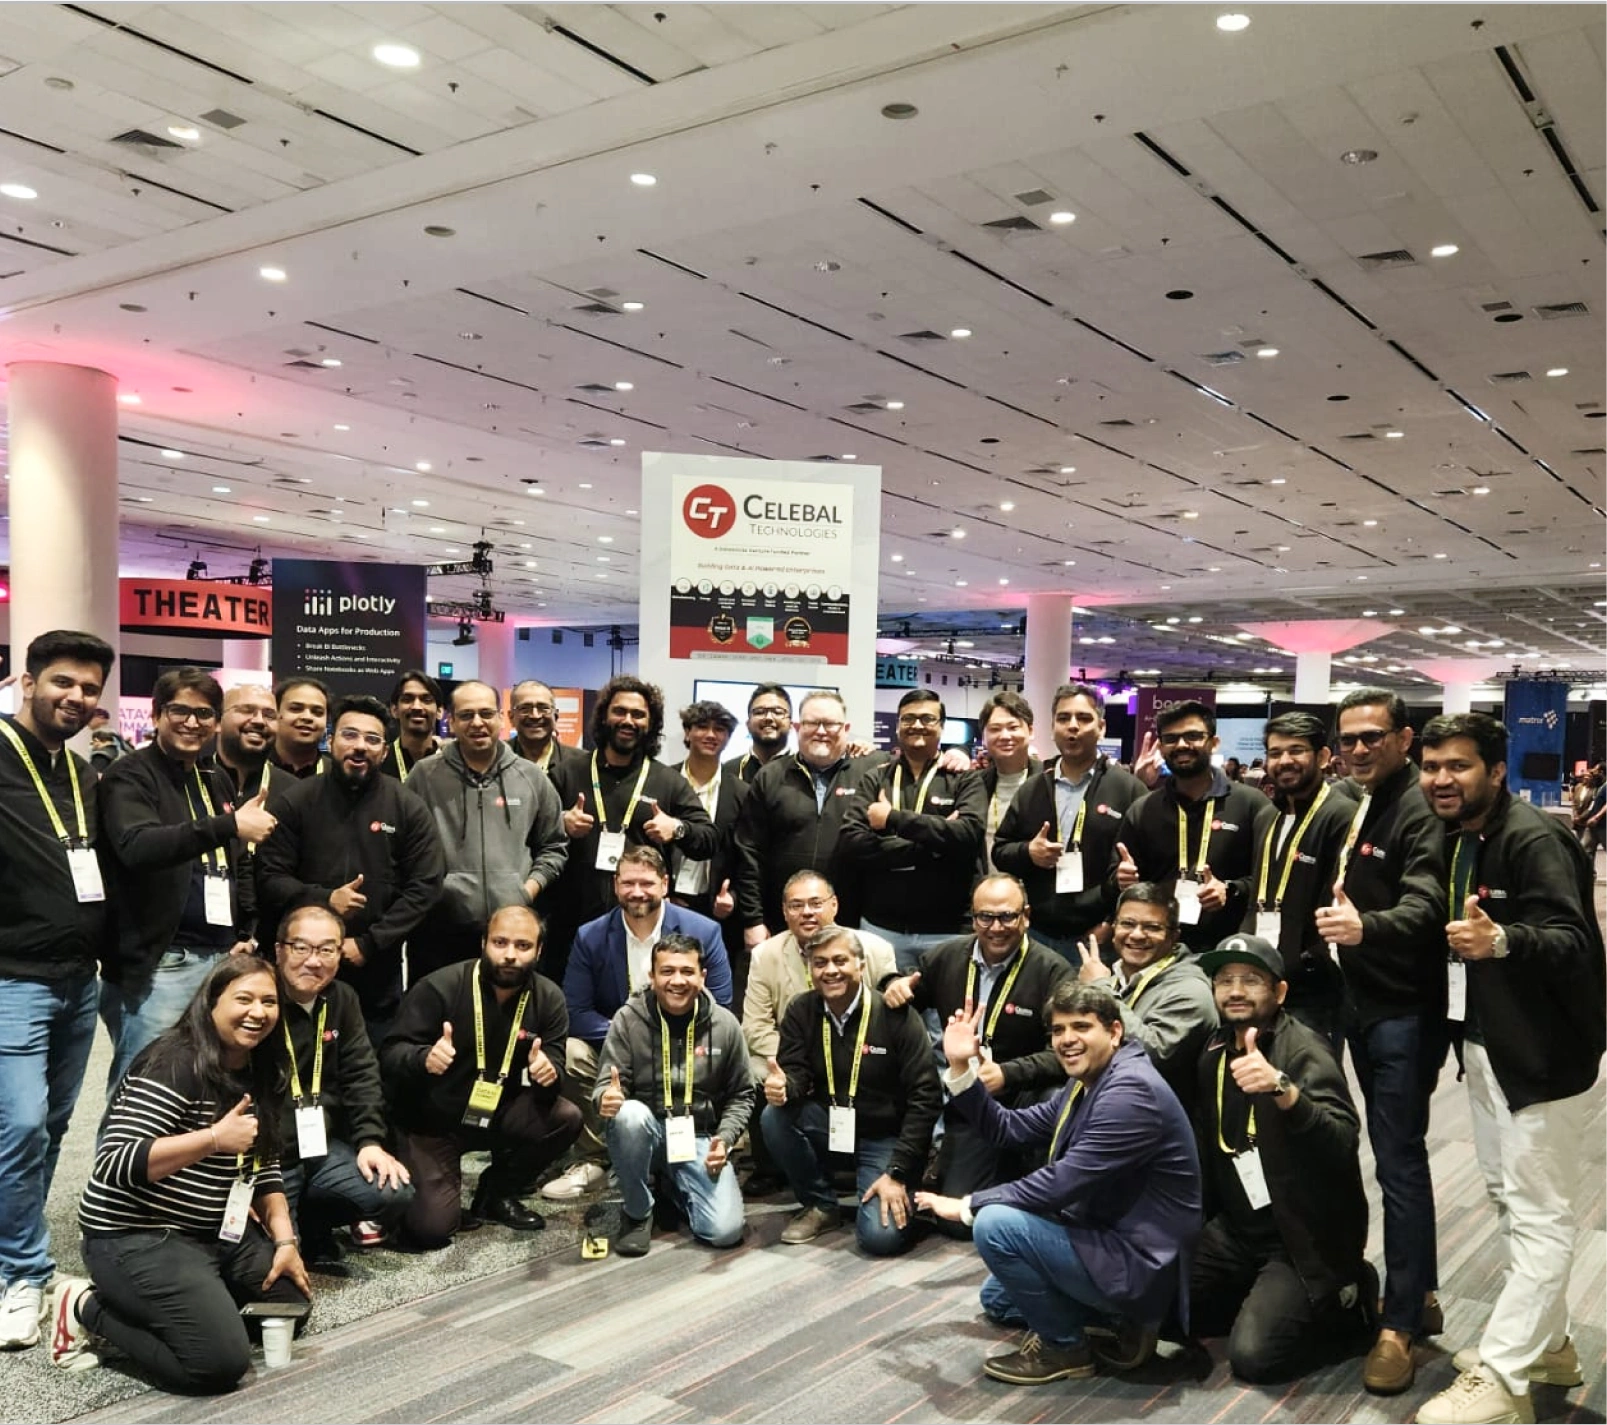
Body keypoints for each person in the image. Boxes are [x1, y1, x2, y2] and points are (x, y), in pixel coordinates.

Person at [1414, 713, 1604, 1425]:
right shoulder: (1464, 835)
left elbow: (1573, 940)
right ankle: (1547, 1348)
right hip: (1488, 1042)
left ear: (1495, 771)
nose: (1441, 779)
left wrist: (1502, 941)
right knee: (1506, 1197)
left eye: (1458, 766)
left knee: (1540, 1212)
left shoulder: (1532, 837)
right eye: (1432, 766)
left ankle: (1501, 1378)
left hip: (1541, 1056)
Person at [914, 982, 1201, 1387]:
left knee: (994, 1225)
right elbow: (1008, 1129)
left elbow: (1059, 1184)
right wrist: (961, 1068)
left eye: (1081, 1027)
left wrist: (968, 1204)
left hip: (1138, 1262)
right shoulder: (1089, 1080)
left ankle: (1067, 1349)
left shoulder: (1131, 1091)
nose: (1067, 1039)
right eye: (1058, 1030)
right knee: (997, 1299)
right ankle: (1117, 1324)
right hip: (1100, 1234)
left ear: (1115, 1032)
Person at [50, 956, 310, 1391]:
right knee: (218, 1363)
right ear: (211, 1003)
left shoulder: (264, 1067)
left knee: (288, 1308)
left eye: (269, 1002)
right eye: (243, 999)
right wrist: (213, 1139)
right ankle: (84, 1305)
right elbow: (115, 1162)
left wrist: (286, 1242)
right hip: (135, 1233)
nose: (258, 1012)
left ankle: (191, 1304)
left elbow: (264, 1165)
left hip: (213, 1230)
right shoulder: (174, 1062)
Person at [1312, 688, 1449, 1388]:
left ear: (1404, 738)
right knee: (1393, 1154)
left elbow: (1427, 903)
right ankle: (1418, 1293)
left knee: (1398, 1160)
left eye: (1373, 736)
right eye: (1349, 738)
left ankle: (1398, 1325)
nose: (1359, 748)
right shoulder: (1365, 798)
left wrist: (1365, 927)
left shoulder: (1417, 806)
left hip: (1402, 1010)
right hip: (1363, 1003)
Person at [1188, 934, 1376, 1383]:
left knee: (1253, 1358)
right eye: (1225, 980)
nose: (1236, 991)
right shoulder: (1214, 1050)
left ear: (1280, 992)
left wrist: (1283, 1089)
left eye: (1251, 980)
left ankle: (1350, 1296)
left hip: (1299, 1238)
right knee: (1161, 1306)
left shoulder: (1304, 1050)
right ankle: (1265, 1298)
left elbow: (1342, 1140)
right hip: (1236, 1230)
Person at [0, 629, 116, 1350]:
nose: (75, 697)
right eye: (62, 682)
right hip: (12, 979)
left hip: (79, 982)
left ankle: (13, 1248)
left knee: (50, 1127)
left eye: (88, 688)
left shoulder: (81, 774)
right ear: (27, 681)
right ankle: (23, 1271)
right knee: (18, 1125)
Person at [99, 668, 277, 1092]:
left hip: (219, 957)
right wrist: (228, 824)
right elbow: (137, 846)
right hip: (163, 963)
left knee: (204, 1084)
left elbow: (236, 863)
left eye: (204, 714)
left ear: (216, 722)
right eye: (180, 711)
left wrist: (245, 930)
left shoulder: (212, 777)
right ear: (157, 715)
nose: (192, 722)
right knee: (145, 1088)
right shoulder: (131, 775)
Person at [381, 905, 582, 1246]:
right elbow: (389, 1054)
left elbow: (556, 1069)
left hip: (495, 1112)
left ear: (538, 951)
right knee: (431, 1229)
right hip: (431, 1121)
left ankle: (496, 1193)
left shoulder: (549, 997)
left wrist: (548, 1074)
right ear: (483, 943)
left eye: (522, 945)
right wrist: (423, 1058)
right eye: (500, 942)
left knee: (566, 1117)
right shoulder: (439, 986)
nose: (510, 954)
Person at [255, 694, 445, 1039]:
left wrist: (370, 943)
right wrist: (324, 899)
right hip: (300, 962)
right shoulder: (296, 801)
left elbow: (425, 885)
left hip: (375, 968)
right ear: (330, 742)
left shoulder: (407, 807)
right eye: (349, 735)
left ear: (384, 752)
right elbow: (269, 877)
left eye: (372, 739)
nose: (360, 746)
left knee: (368, 1057)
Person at [547, 847, 731, 1200]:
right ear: (615, 885)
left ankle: (688, 1150)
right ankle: (596, 1158)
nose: (637, 892)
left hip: (685, 1046)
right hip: (618, 1052)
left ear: (664, 884)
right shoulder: (590, 936)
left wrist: (662, 1036)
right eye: (628, 883)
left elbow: (719, 1005)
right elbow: (576, 1011)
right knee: (570, 1052)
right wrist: (633, 1035)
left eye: (646, 883)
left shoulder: (704, 931)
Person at [882, 873, 1072, 1207]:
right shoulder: (945, 958)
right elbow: (908, 995)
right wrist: (891, 984)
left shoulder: (1053, 970)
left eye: (1007, 916)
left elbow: (1064, 1052)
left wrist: (1006, 1074)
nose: (996, 927)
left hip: (1025, 1098)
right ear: (973, 918)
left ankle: (1038, 1188)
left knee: (1058, 1096)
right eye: (985, 917)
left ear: (1026, 916)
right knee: (956, 1224)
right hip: (969, 1102)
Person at [761, 926, 941, 1254]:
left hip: (886, 1137)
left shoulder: (895, 1015)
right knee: (775, 1117)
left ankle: (913, 1200)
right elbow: (797, 1075)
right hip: (831, 1124)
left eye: (840, 961)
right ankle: (821, 1206)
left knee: (880, 1239)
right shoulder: (802, 1010)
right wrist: (784, 1087)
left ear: (861, 965)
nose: (830, 970)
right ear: (810, 969)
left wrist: (898, 1170)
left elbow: (926, 1097)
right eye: (820, 963)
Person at [545, 676, 717, 983]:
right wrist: (561, 822)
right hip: (571, 922)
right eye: (620, 711)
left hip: (641, 921)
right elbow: (532, 831)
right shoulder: (567, 773)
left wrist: (677, 828)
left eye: (638, 714)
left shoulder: (667, 781)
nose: (628, 720)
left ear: (650, 724)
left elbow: (708, 839)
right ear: (604, 717)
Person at [594, 932, 752, 1255]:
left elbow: (742, 1093)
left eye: (687, 971)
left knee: (725, 1231)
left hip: (697, 1135)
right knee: (629, 1116)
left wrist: (725, 1138)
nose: (677, 981)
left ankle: (670, 1187)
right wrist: (606, 1099)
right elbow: (606, 1085)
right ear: (652, 977)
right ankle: (637, 1212)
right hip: (646, 1131)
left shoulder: (725, 1024)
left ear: (702, 976)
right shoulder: (628, 1019)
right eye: (667, 971)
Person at [271, 904, 413, 1263]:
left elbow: (361, 1074)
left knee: (393, 1191)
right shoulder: (260, 999)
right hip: (268, 1157)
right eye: (301, 947)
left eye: (326, 950)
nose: (313, 961)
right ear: (279, 950)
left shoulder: (342, 998)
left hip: (318, 1145)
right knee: (265, 1269)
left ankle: (313, 1224)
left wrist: (369, 1142)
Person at [406, 680, 567, 980]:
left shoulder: (531, 777)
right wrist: (435, 891)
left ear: (501, 719)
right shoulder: (424, 776)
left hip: (510, 933)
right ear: (451, 721)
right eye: (466, 715)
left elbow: (554, 846)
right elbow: (405, 846)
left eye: (486, 713)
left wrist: (526, 891)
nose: (477, 723)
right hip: (438, 932)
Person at [838, 690, 986, 973]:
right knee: (882, 1001)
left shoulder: (964, 779)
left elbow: (968, 836)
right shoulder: (876, 777)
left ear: (941, 726)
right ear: (897, 726)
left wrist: (891, 819)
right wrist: (936, 847)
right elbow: (852, 843)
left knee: (948, 1004)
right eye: (908, 718)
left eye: (927, 718)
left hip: (949, 931)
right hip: (883, 928)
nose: (917, 725)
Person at [994, 684, 1145, 960]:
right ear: (1053, 728)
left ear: (1101, 727)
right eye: (1063, 718)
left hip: (1099, 939)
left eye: (1084, 718)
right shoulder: (1032, 788)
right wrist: (1028, 852)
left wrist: (1112, 923)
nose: (1072, 726)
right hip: (1037, 936)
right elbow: (1001, 850)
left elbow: (1143, 869)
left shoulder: (1128, 790)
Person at [1112, 701, 1274, 953]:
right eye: (1171, 738)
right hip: (1157, 947)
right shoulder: (1143, 809)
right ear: (1161, 747)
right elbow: (1117, 873)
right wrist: (1121, 878)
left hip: (1229, 948)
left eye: (1193, 736)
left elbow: (1270, 876)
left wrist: (1231, 889)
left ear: (1214, 742)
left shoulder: (1252, 804)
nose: (1181, 745)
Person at [1240, 711, 1356, 1052]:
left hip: (1311, 988)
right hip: (1261, 974)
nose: (1284, 761)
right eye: (1275, 753)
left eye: (1296, 751)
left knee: (1307, 1074)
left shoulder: (1341, 815)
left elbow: (1338, 896)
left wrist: (1308, 959)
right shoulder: (1267, 815)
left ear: (1322, 757)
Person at [732, 690, 886, 942]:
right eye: (812, 723)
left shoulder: (873, 770)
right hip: (782, 922)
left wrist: (953, 755)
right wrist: (753, 920)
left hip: (854, 922)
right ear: (797, 727)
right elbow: (749, 853)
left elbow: (918, 764)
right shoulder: (770, 776)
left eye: (831, 724)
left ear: (846, 728)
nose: (821, 731)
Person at [741, 871, 897, 1085]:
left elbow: (890, 1025)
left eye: (816, 904)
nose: (806, 912)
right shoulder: (765, 954)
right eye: (796, 905)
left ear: (834, 905)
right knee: (753, 1069)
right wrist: (807, 1056)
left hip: (860, 1057)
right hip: (793, 1059)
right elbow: (755, 1028)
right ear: (785, 912)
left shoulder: (876, 950)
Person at [1075, 883, 1217, 1109]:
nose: (1137, 935)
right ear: (1114, 928)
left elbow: (1152, 1054)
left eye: (1152, 927)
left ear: (1173, 937)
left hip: (1148, 1117)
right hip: (1104, 1101)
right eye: (1127, 924)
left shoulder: (1191, 990)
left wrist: (1100, 989)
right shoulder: (1113, 977)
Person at [668, 700, 748, 974]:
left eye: (720, 729)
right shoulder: (663, 780)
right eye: (702, 727)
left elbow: (747, 855)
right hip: (667, 902)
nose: (711, 735)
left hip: (716, 907)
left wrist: (734, 898)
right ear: (687, 732)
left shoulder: (741, 793)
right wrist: (663, 893)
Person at [974, 691, 1040, 872]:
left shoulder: (1049, 781)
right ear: (983, 737)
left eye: (1013, 727)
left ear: (1030, 731)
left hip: (1034, 885)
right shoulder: (974, 785)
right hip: (985, 886)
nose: (1004, 736)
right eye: (995, 729)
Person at [211, 684, 276, 802]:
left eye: (269, 715)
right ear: (218, 721)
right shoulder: (193, 779)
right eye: (247, 711)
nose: (259, 721)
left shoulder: (293, 791)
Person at [508, 679, 585, 776]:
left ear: (556, 716)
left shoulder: (581, 763)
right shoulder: (496, 758)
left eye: (543, 708)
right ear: (511, 717)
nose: (535, 716)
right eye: (525, 708)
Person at [380, 669, 442, 783]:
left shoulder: (452, 765)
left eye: (426, 700)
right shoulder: (379, 761)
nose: (416, 707)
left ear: (439, 711)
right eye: (407, 699)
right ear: (394, 710)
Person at [267, 678, 331, 783]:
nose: (307, 717)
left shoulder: (336, 775)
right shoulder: (251, 767)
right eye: (296, 709)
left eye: (317, 712)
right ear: (276, 714)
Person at [728, 684, 794, 783]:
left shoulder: (806, 771)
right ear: (748, 725)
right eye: (759, 712)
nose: (768, 718)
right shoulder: (729, 771)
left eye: (777, 712)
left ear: (791, 725)